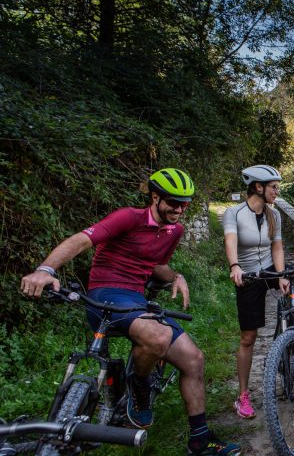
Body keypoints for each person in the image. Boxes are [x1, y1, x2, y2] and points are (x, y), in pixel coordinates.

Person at [20, 168, 239, 456]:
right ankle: (139, 385)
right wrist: (45, 270)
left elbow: (156, 265)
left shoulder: (176, 230)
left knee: (194, 359)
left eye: (185, 203)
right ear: (155, 197)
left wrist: (175, 276)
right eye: (174, 202)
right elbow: (83, 240)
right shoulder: (129, 217)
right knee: (158, 337)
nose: (180, 209)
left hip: (137, 302)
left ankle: (200, 441)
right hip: (106, 295)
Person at [223, 164, 290, 420]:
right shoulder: (235, 213)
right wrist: (235, 266)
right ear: (258, 187)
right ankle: (242, 396)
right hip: (248, 273)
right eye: (274, 187)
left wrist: (282, 275)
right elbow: (231, 241)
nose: (277, 191)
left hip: (270, 269)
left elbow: (278, 248)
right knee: (248, 337)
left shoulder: (275, 215)